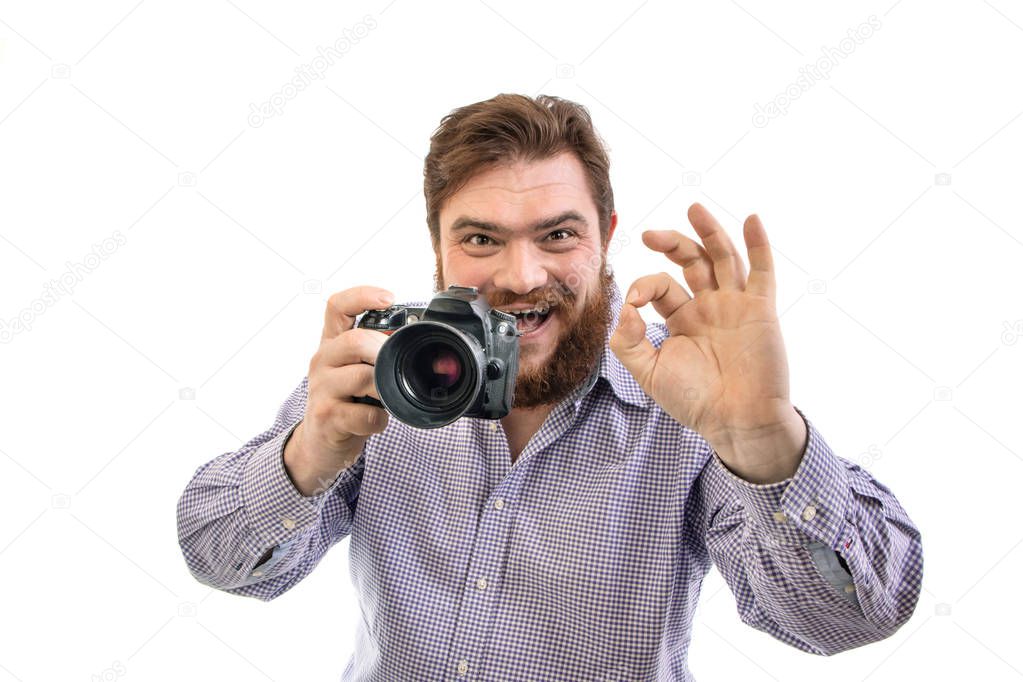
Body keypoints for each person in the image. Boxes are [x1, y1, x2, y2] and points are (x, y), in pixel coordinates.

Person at [176, 94, 923, 681]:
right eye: (480, 239)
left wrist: (763, 442)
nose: (521, 276)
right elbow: (222, 562)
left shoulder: (690, 399)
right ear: (435, 246)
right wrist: (308, 453)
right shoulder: (387, 372)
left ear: (606, 236)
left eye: (557, 235)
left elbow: (848, 621)